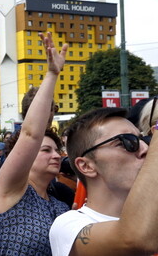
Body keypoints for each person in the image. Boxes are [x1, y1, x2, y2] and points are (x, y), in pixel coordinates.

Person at [0, 32, 69, 255]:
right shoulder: (12, 190)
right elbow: (30, 135)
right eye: (45, 150)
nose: (56, 156)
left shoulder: (61, 204)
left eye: (57, 150)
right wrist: (52, 73)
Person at [49, 106, 158, 256]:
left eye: (144, 139)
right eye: (126, 141)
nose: (146, 148)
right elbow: (134, 238)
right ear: (86, 166)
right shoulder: (68, 225)